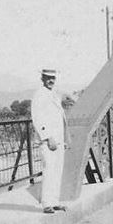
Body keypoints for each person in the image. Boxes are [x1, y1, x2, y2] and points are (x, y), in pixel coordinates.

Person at [31, 69, 68, 213]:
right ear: (42, 78)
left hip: (58, 139)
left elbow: (60, 118)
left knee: (57, 170)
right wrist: (47, 136)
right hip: (48, 140)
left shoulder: (53, 94)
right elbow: (37, 117)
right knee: (49, 170)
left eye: (53, 78)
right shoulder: (39, 94)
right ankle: (47, 204)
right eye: (48, 78)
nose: (51, 80)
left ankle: (55, 201)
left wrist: (65, 137)